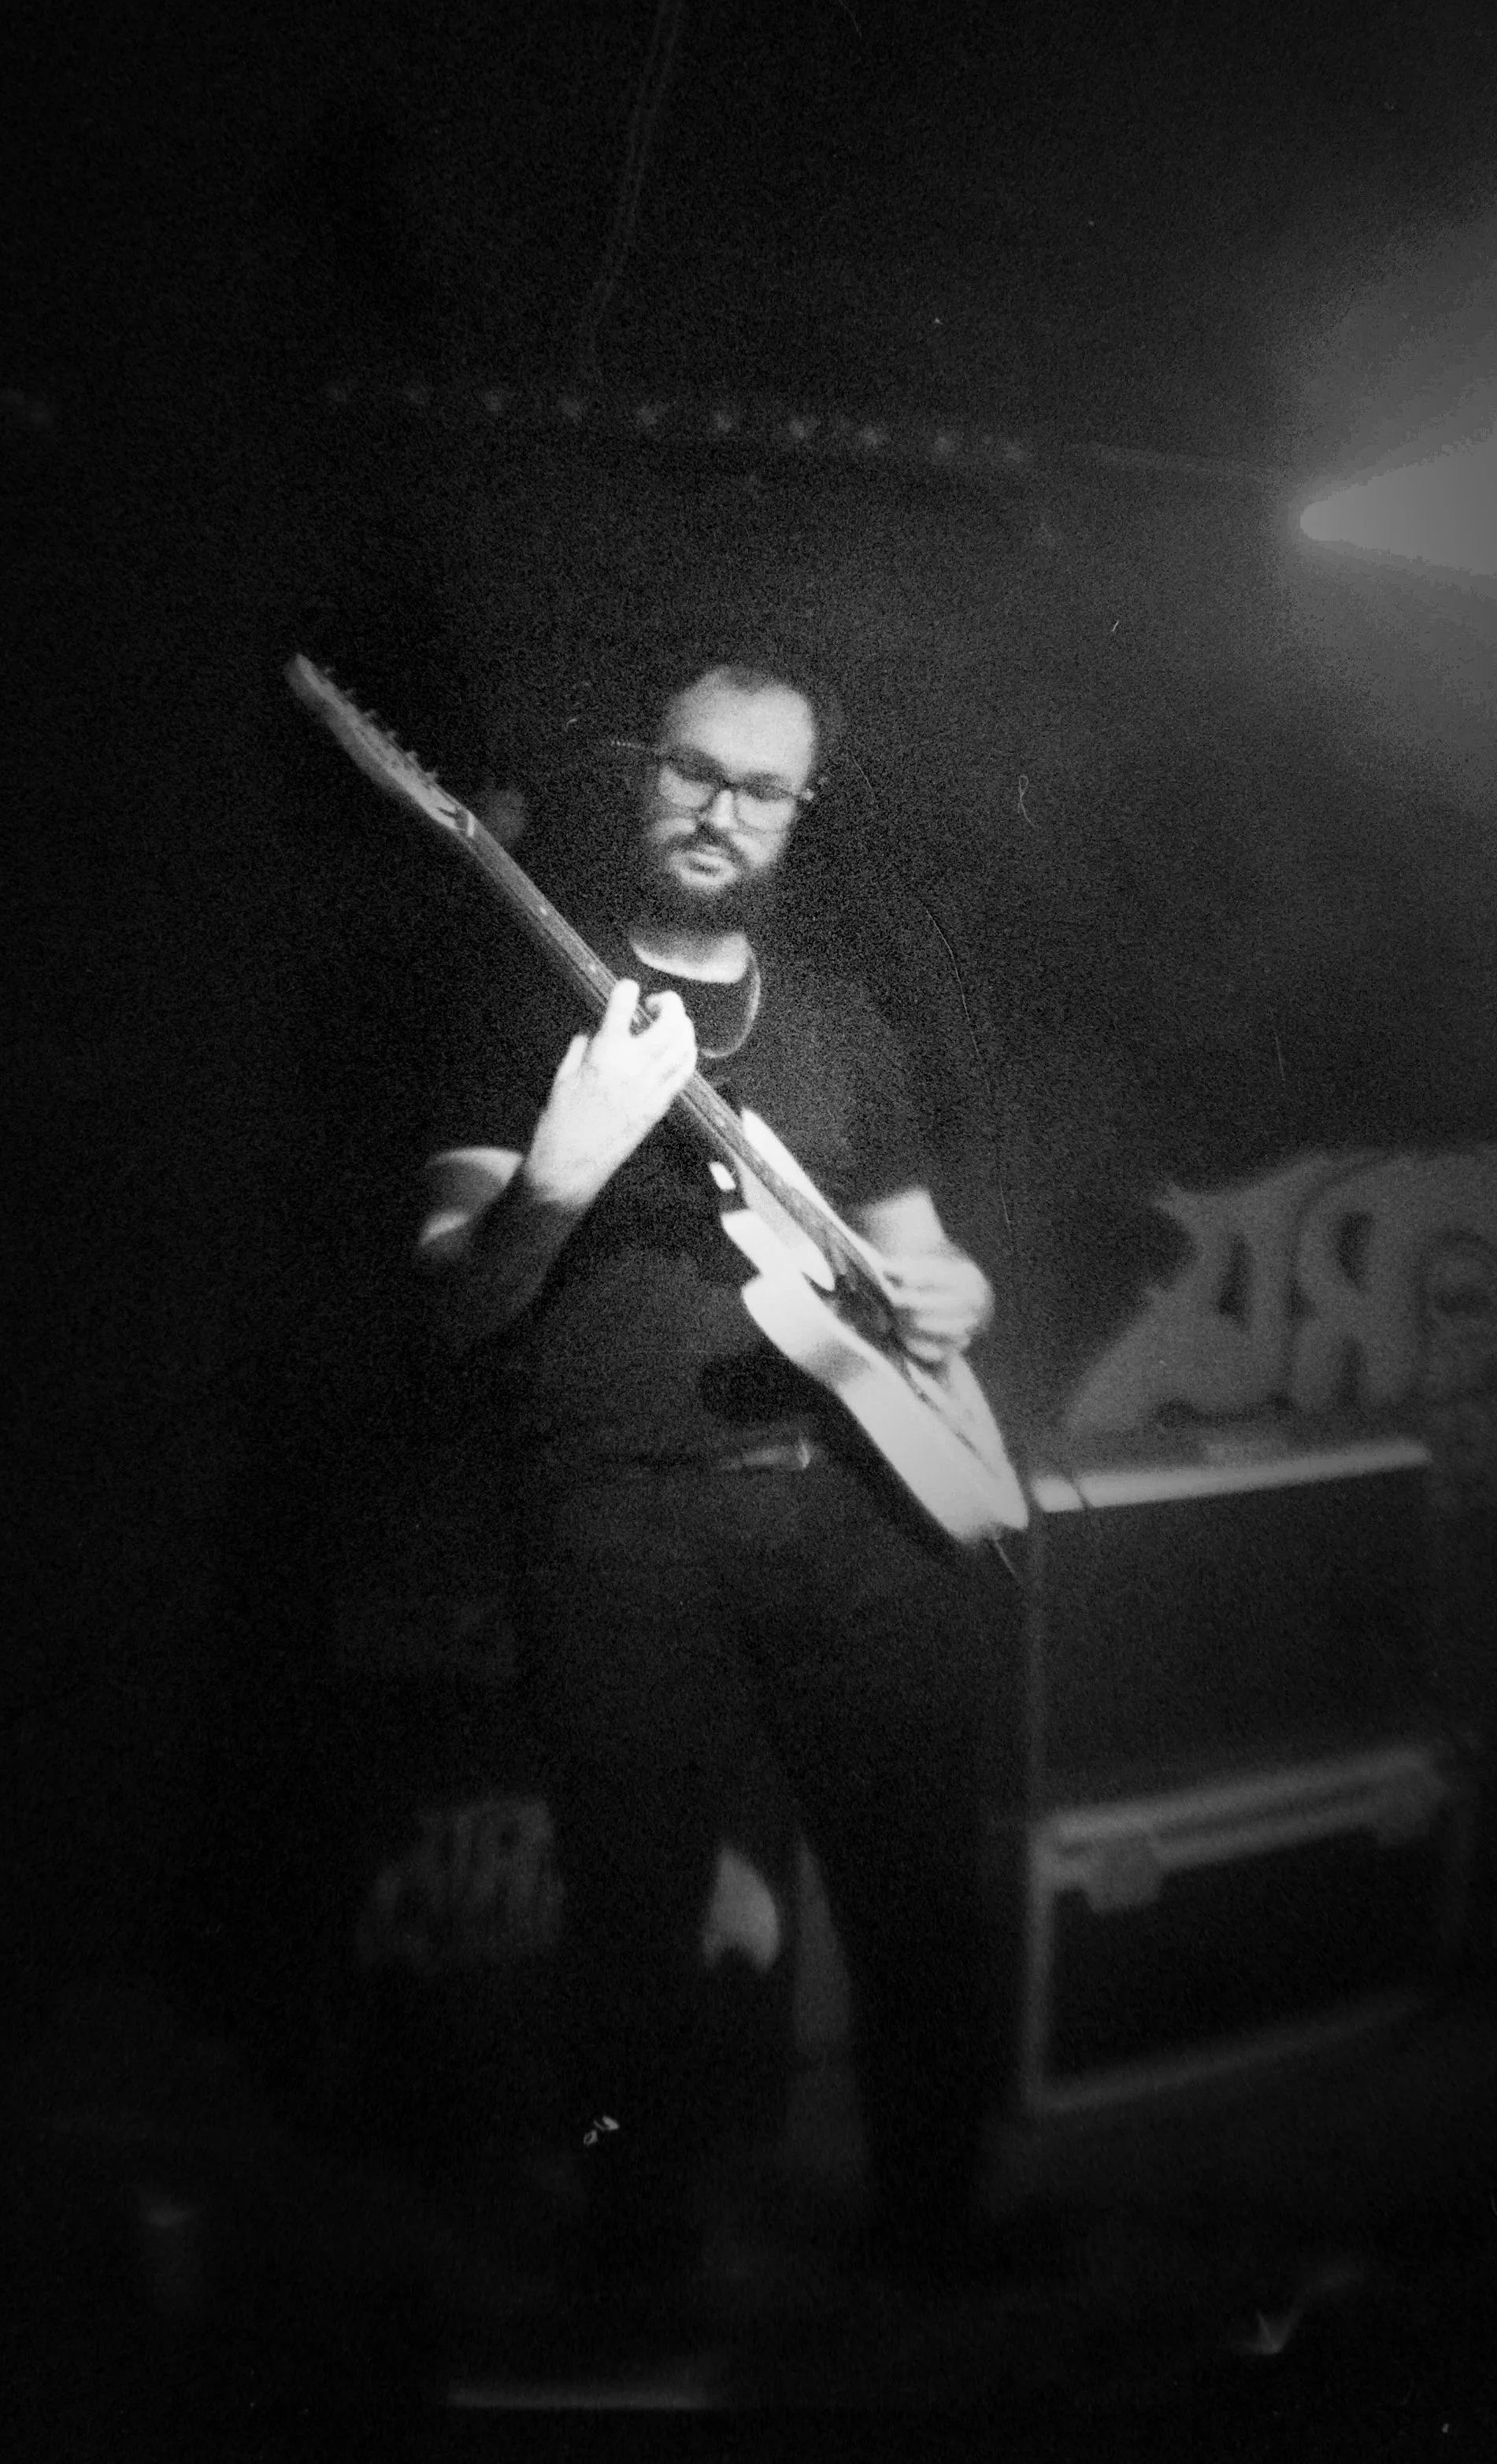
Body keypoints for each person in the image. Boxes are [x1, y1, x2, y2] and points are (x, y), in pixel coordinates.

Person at [414, 653, 1005, 2298]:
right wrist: (565, 1161)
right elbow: (457, 1306)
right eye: (690, 769)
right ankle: (635, 2263)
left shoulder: (837, 1024)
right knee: (631, 1922)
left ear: (796, 818)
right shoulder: (518, 1002)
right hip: (619, 1516)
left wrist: (959, 1300)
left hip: (855, 1504)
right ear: (641, 771)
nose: (716, 809)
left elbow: (923, 1266)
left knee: (915, 1899)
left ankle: (935, 2238)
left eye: (759, 788)